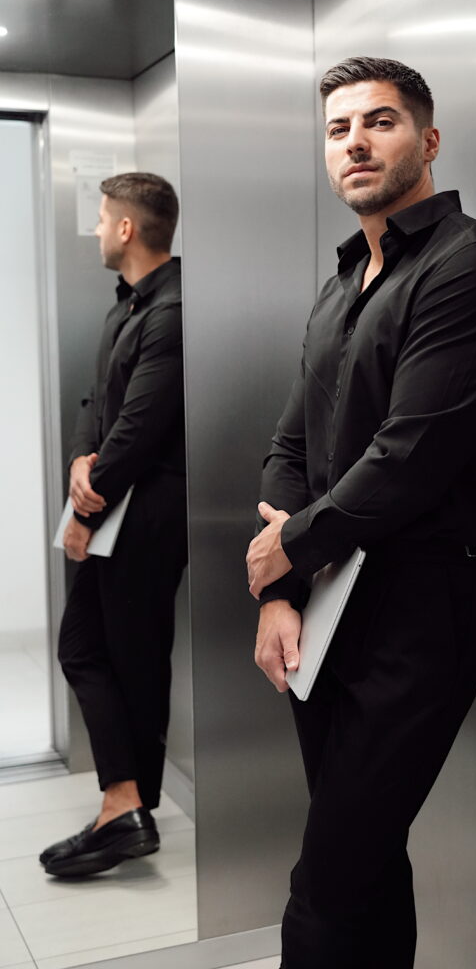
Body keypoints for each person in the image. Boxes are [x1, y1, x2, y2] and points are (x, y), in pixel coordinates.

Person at [246, 57, 476, 968]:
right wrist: (278, 591)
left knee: (327, 879)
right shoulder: (342, 283)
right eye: (337, 130)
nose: (355, 144)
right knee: (366, 863)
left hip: (425, 600)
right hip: (328, 596)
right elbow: (290, 444)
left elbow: (409, 457)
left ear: (428, 139)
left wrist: (287, 549)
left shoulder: (475, 266)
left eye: (379, 122)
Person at [39, 173, 187, 878]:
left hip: (147, 519)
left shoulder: (173, 310)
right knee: (90, 650)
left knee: (130, 658)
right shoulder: (128, 306)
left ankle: (125, 809)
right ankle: (124, 805)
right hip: (116, 510)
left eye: (103, 219)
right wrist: (78, 458)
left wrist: (83, 510)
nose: (97, 230)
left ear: (127, 229)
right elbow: (95, 404)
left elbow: (139, 430)